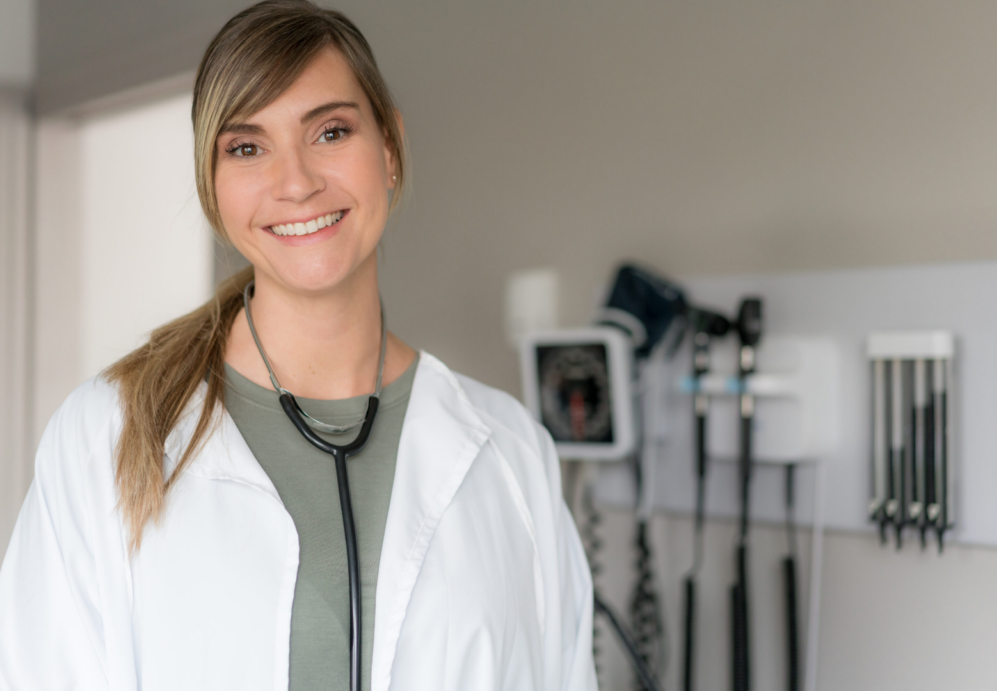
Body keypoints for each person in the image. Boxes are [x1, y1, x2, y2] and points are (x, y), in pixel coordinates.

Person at [0, 2, 598, 689]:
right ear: (212, 185)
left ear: (390, 150)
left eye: (331, 131)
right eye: (247, 147)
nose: (296, 182)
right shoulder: (105, 437)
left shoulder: (512, 452)